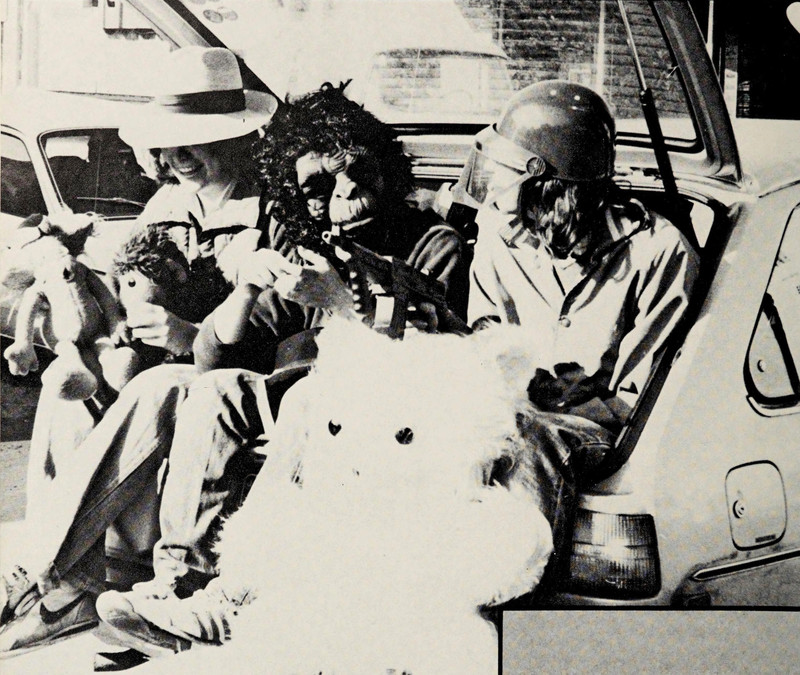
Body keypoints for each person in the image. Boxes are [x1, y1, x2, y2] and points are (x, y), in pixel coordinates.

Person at [0, 84, 467, 658]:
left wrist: (345, 302)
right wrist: (246, 291)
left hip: (365, 409)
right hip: (267, 385)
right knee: (171, 388)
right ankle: (148, 584)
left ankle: (70, 578)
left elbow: (440, 347)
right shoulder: (299, 243)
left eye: (359, 175)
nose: (344, 195)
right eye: (320, 189)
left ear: (388, 172)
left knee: (178, 387)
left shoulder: (429, 244)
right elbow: (217, 356)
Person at [0, 47, 275, 656]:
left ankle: (42, 572)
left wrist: (186, 334)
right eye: (168, 144)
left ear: (235, 138)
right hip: (157, 365)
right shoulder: (167, 205)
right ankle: (76, 592)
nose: (178, 158)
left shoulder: (272, 212)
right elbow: (123, 275)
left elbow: (280, 328)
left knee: (159, 386)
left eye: (196, 141)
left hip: (228, 378)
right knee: (68, 393)